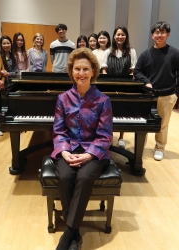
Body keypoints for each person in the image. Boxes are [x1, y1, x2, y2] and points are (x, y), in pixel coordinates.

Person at [51, 48, 113, 250]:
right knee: (66, 176)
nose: (81, 73)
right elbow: (58, 131)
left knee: (85, 178)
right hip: (68, 150)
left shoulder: (103, 101)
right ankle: (75, 235)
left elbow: (105, 135)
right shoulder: (63, 99)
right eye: (77, 69)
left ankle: (68, 233)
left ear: (93, 71)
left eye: (86, 69)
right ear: (72, 71)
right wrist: (64, 151)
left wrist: (88, 154)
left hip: (95, 152)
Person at [134, 21, 179, 161]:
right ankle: (142, 147)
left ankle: (159, 147)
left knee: (163, 123)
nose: (159, 35)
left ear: (168, 34)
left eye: (162, 32)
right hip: (148, 95)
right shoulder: (146, 54)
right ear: (152, 35)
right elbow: (137, 71)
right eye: (157, 32)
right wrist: (146, 82)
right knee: (145, 122)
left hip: (167, 95)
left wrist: (176, 93)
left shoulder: (174, 53)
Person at [102, 26, 137, 149]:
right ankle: (110, 136)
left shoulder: (131, 51)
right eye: (118, 34)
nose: (120, 37)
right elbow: (104, 69)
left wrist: (129, 84)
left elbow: (133, 70)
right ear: (114, 36)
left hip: (125, 86)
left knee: (123, 111)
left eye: (122, 34)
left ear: (126, 36)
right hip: (110, 86)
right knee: (109, 112)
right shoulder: (108, 51)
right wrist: (107, 83)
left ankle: (121, 137)